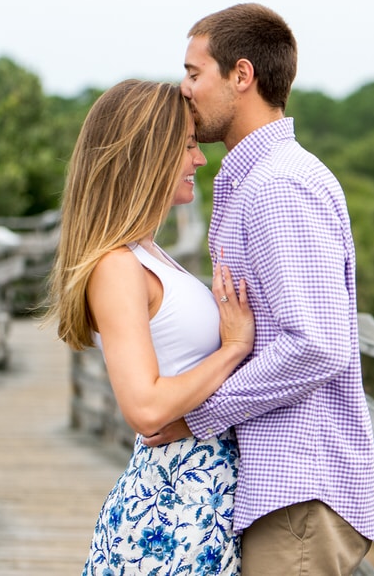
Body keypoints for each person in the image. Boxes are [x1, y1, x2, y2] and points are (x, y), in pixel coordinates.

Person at [142, 4, 374, 574]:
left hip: (299, 486)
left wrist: (201, 416)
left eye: (195, 73)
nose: (184, 88)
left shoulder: (279, 187)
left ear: (241, 76)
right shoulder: (255, 179)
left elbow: (318, 344)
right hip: (281, 485)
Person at [44, 79, 255, 575]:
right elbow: (144, 407)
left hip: (195, 498)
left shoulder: (145, 252)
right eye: (185, 146)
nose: (199, 159)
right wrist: (233, 349)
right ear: (147, 156)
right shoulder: (117, 265)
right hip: (172, 510)